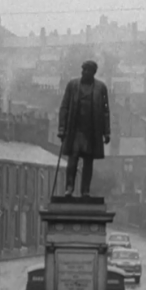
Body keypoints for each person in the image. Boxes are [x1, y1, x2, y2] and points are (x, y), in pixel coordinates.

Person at [57, 60, 111, 197]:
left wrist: (107, 132)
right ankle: (69, 188)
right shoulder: (72, 85)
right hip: (75, 130)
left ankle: (85, 190)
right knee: (73, 159)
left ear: (93, 72)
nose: (85, 73)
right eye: (83, 70)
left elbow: (105, 112)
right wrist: (62, 128)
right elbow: (64, 107)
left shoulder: (101, 88)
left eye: (88, 71)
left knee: (88, 161)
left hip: (91, 131)